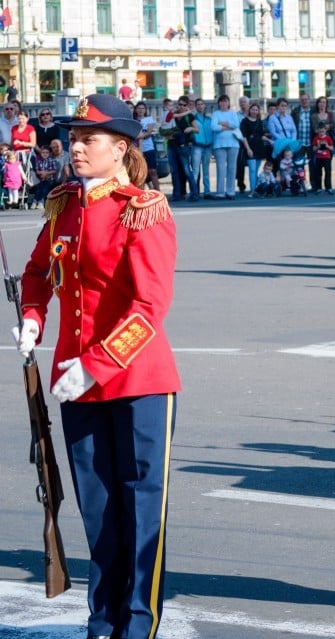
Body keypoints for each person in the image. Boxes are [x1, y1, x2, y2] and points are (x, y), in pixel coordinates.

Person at [12, 93, 180, 639]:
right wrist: (34, 320)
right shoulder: (64, 205)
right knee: (97, 510)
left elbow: (149, 306)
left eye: (89, 138)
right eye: (74, 137)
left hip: (137, 381)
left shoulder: (142, 208)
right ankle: (100, 622)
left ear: (121, 149)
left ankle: (137, 625)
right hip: (74, 382)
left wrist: (97, 364)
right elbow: (38, 272)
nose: (76, 146)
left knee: (139, 511)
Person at [210, 94, 241, 200]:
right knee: (221, 168)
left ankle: (230, 191)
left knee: (232, 168)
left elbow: (236, 125)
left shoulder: (233, 113)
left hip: (233, 143)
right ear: (219, 103)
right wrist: (227, 127)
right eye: (221, 101)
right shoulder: (215, 114)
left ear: (228, 103)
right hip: (219, 144)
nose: (223, 103)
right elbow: (214, 127)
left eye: (225, 101)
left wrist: (223, 124)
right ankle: (220, 191)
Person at [240, 102, 270, 195]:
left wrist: (269, 140)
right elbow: (243, 136)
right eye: (253, 109)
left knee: (256, 170)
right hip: (250, 147)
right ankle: (253, 190)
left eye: (256, 110)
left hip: (259, 147)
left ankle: (256, 188)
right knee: (252, 170)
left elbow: (261, 135)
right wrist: (248, 149)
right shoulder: (244, 121)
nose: (254, 111)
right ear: (249, 110)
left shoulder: (259, 122)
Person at [133, 101, 161, 191]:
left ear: (145, 110)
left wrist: (138, 136)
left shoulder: (149, 119)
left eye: (143, 108)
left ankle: (158, 191)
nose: (141, 110)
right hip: (137, 148)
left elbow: (149, 133)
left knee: (152, 171)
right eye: (139, 108)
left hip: (148, 148)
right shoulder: (133, 120)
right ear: (136, 110)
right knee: (140, 172)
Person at [311, 124, 334, 194]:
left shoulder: (328, 138)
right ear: (318, 131)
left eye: (323, 131)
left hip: (326, 157)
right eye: (320, 132)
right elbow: (313, 149)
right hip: (319, 157)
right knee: (318, 173)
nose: (321, 133)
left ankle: (328, 187)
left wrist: (327, 146)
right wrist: (318, 146)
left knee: (328, 172)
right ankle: (319, 187)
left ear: (325, 131)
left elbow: (332, 148)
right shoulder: (316, 138)